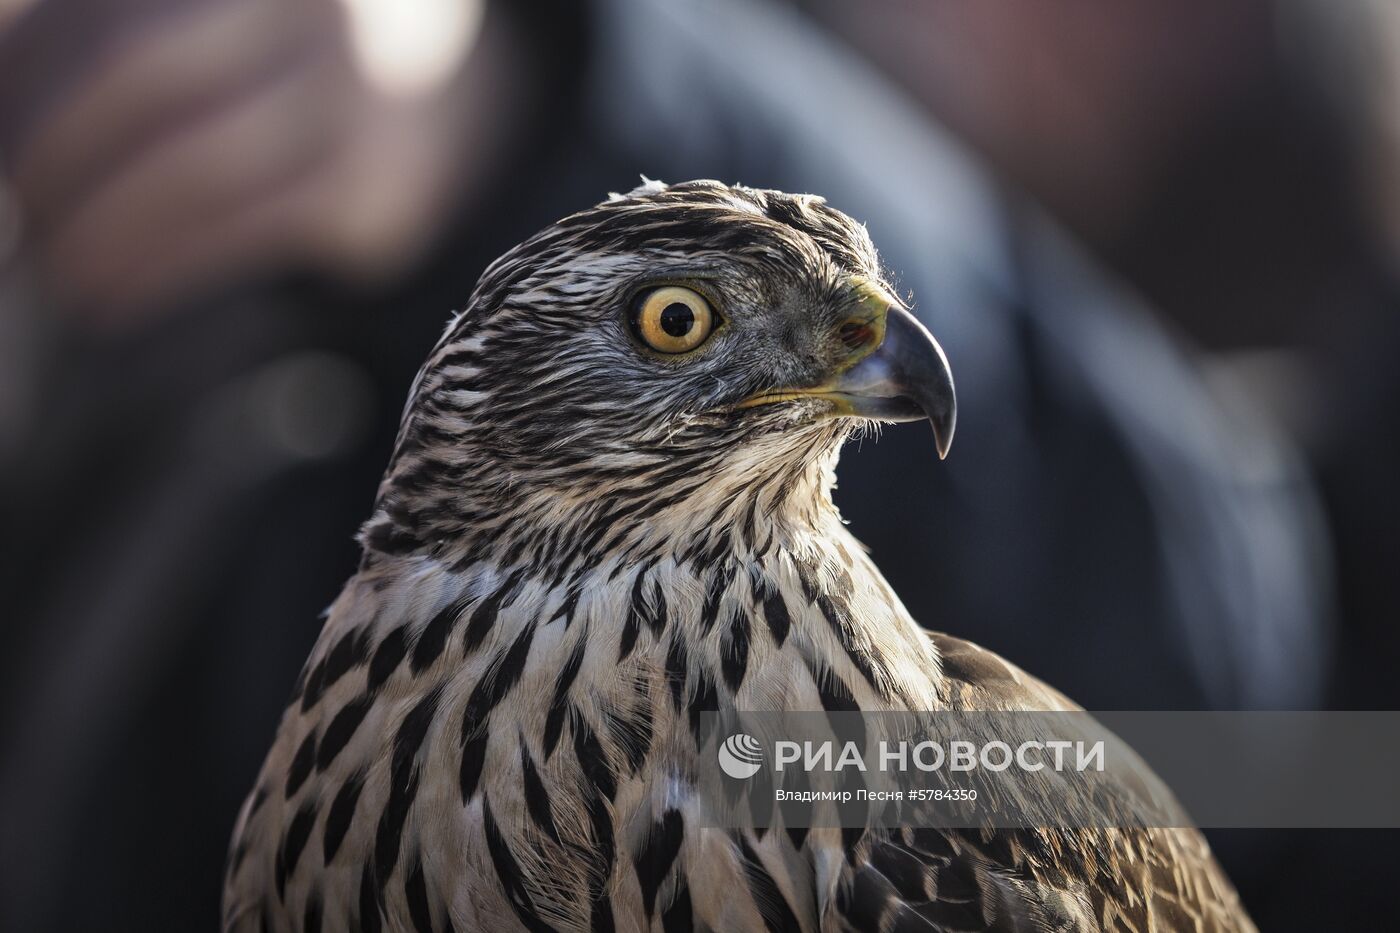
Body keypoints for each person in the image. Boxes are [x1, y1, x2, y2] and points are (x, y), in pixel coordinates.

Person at [0, 0, 1330, 929]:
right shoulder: (310, 797)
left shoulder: (962, 793)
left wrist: (518, 99)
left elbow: (1251, 664)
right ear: (486, 411)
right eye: (674, 324)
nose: (874, 350)